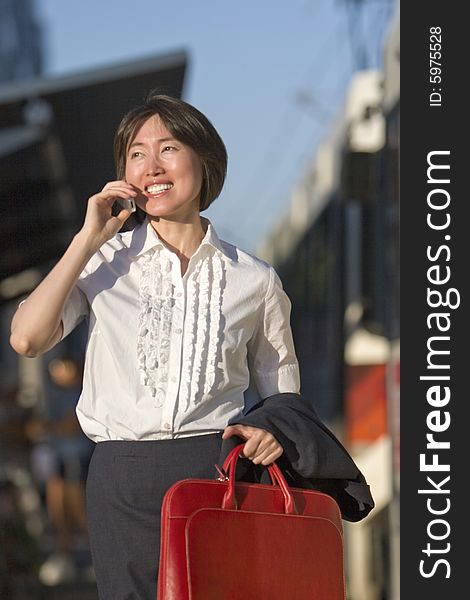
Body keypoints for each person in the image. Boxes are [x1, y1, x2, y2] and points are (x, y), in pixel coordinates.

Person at [9, 93, 302, 599]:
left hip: (217, 475)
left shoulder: (254, 280)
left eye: (168, 148)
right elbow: (27, 338)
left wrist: (273, 432)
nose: (151, 166)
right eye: (137, 153)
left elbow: (284, 397)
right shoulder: (102, 262)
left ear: (204, 161)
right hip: (120, 477)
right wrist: (86, 239)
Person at [26, 357, 95, 586]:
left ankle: (98, 557)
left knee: (79, 509)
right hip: (59, 454)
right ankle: (64, 556)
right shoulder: (52, 391)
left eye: (63, 366)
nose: (58, 371)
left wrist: (46, 427)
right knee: (58, 509)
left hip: (78, 454)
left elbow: (69, 426)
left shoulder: (83, 390)